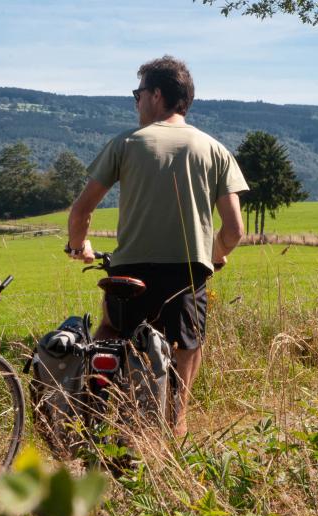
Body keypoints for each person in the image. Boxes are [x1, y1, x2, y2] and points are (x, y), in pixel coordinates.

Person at [65, 56, 247, 437]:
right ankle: (176, 422)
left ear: (157, 95)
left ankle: (92, 412)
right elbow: (235, 229)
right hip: (187, 271)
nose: (136, 102)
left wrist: (78, 246)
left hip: (130, 269)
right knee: (188, 344)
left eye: (138, 93)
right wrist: (214, 256)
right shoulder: (215, 150)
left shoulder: (126, 144)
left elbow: (81, 210)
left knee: (111, 330)